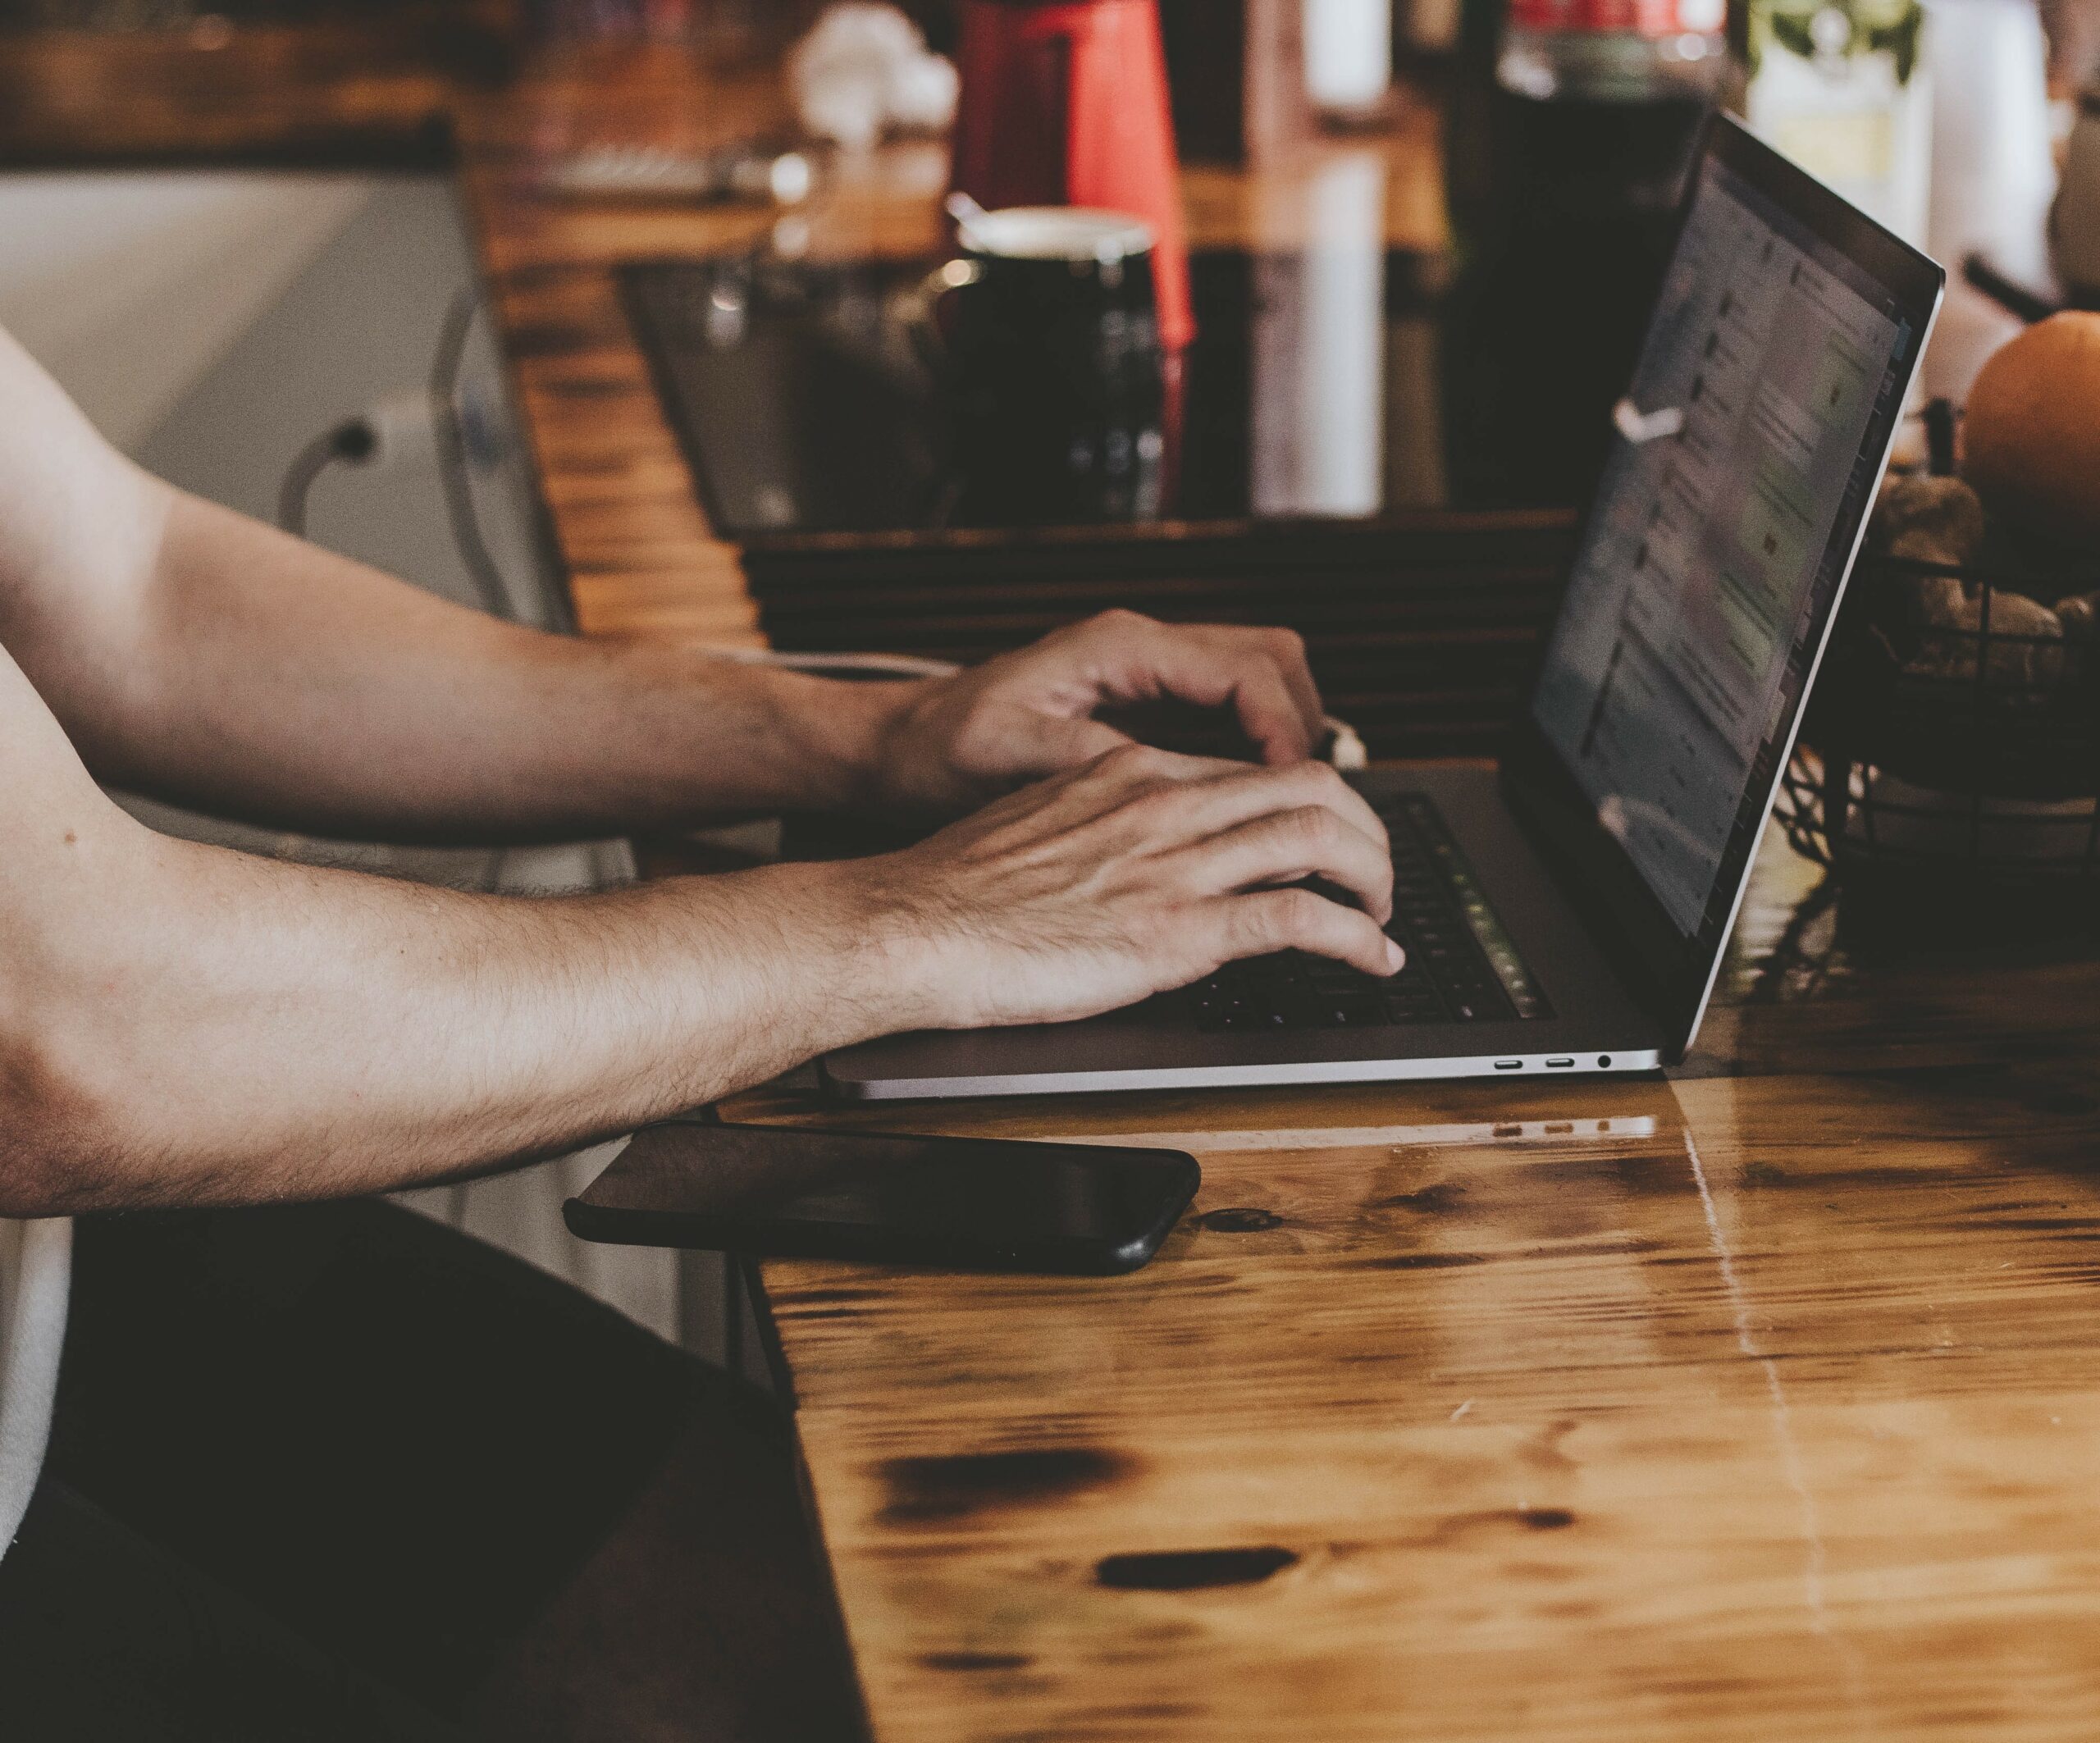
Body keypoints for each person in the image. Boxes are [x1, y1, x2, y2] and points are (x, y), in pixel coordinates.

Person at [0, 322, 1398, 1740]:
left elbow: (123, 585)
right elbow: (62, 1038)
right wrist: (917, 921)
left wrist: (864, 738)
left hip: (61, 1281)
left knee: (829, 1630)